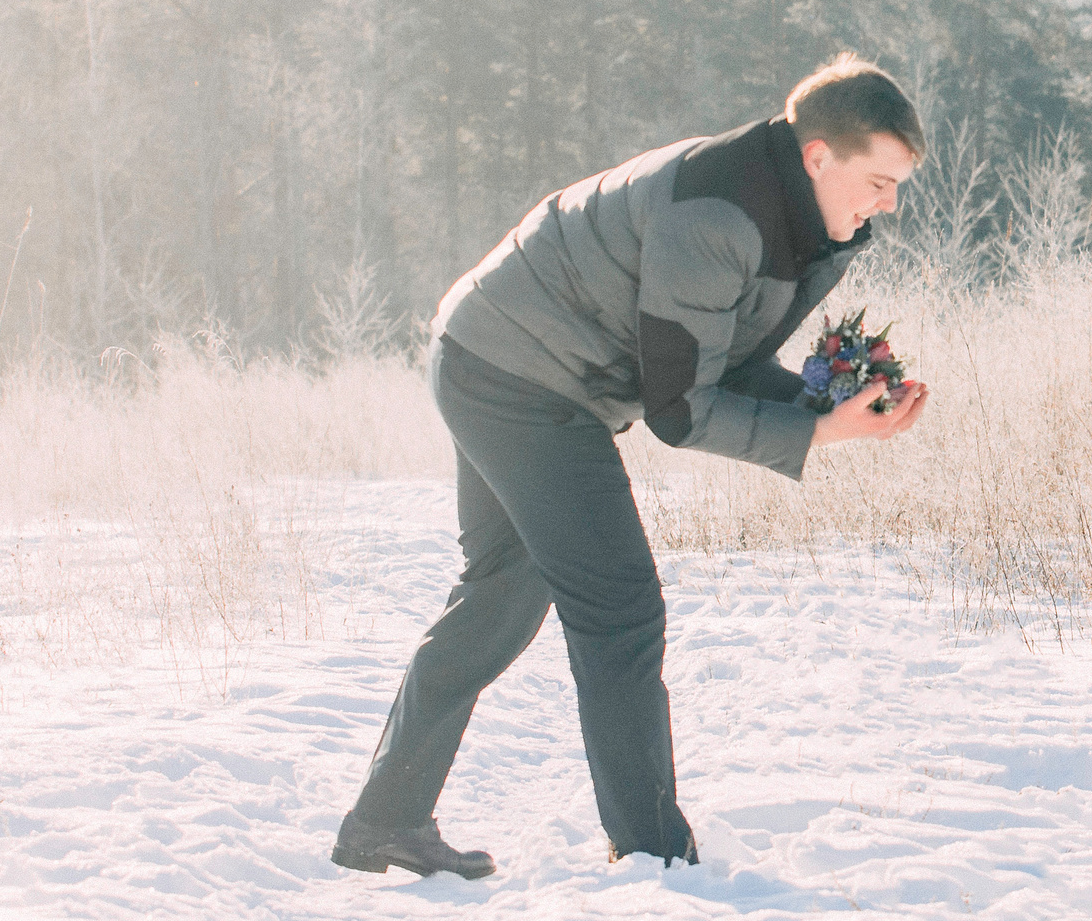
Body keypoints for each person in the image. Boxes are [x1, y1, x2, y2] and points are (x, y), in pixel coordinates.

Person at [333, 55, 932, 879]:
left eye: (899, 185)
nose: (888, 204)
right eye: (877, 179)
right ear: (818, 156)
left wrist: (824, 410)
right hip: (518, 374)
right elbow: (680, 409)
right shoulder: (718, 216)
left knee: (500, 596)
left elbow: (714, 357)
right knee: (618, 607)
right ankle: (652, 850)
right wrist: (821, 435)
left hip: (493, 352)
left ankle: (383, 821)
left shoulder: (789, 209)